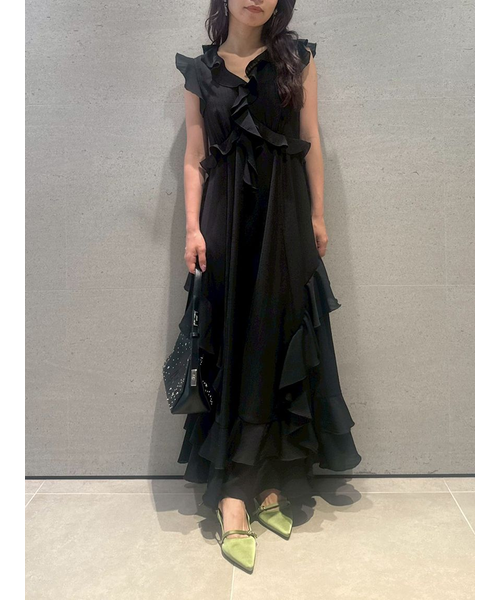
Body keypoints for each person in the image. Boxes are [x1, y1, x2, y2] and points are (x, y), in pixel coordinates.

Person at [174, 0, 362, 573]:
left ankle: (269, 478)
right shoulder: (200, 71)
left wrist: (319, 216)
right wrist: (192, 228)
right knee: (234, 341)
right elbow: (194, 157)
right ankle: (234, 493)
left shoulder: (296, 59)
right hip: (226, 221)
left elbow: (310, 138)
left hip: (285, 215)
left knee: (278, 338)